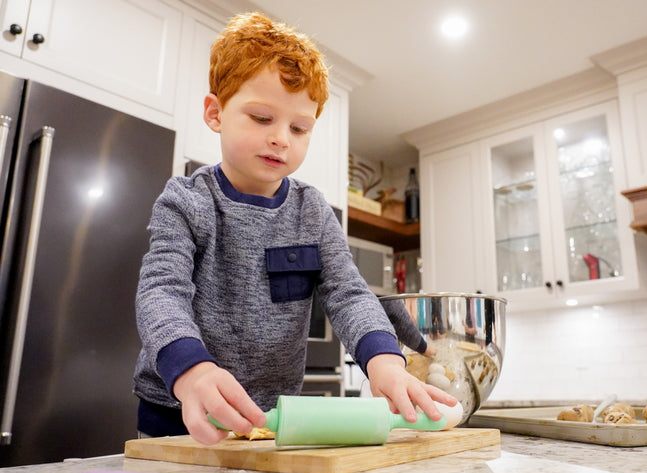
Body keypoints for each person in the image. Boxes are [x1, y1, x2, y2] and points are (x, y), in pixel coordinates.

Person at [132, 12, 455, 445]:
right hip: (178, 410)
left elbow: (348, 293)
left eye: (299, 127)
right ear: (215, 113)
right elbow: (161, 292)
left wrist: (385, 362)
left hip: (276, 418)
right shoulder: (186, 201)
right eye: (262, 118)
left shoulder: (313, 211)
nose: (282, 138)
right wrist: (191, 371)